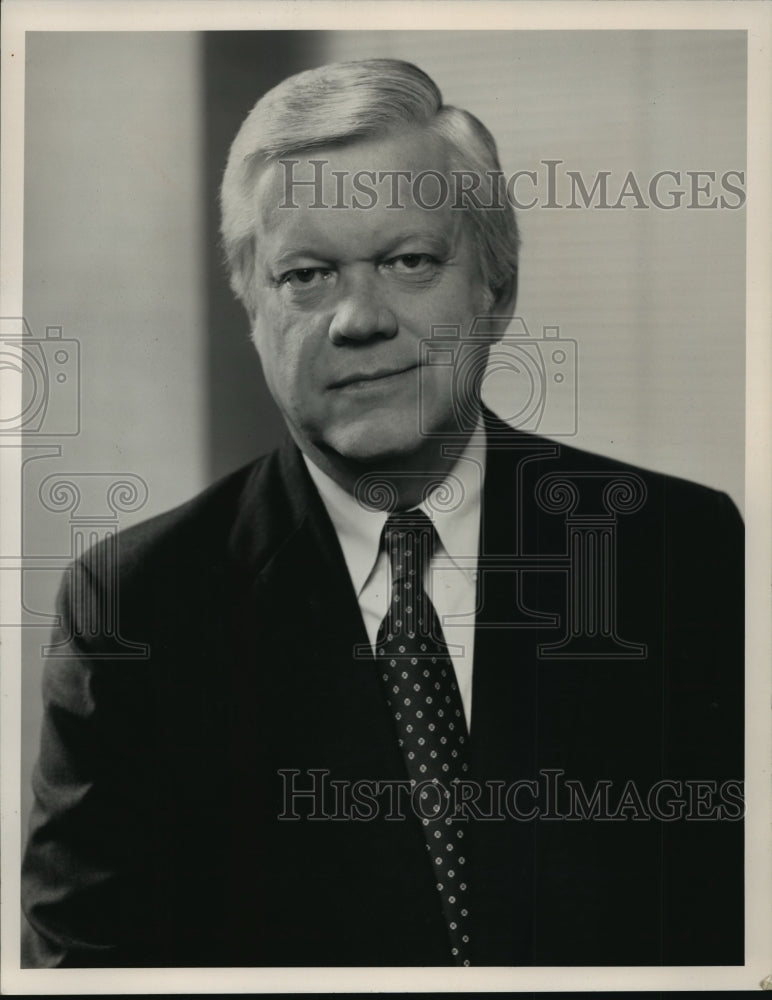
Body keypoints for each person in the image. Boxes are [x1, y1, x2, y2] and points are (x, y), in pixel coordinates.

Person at [21, 59, 743, 968]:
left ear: (497, 290)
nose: (359, 318)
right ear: (251, 308)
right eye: (306, 275)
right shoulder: (137, 604)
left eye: (410, 262)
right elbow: (88, 970)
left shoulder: (683, 550)